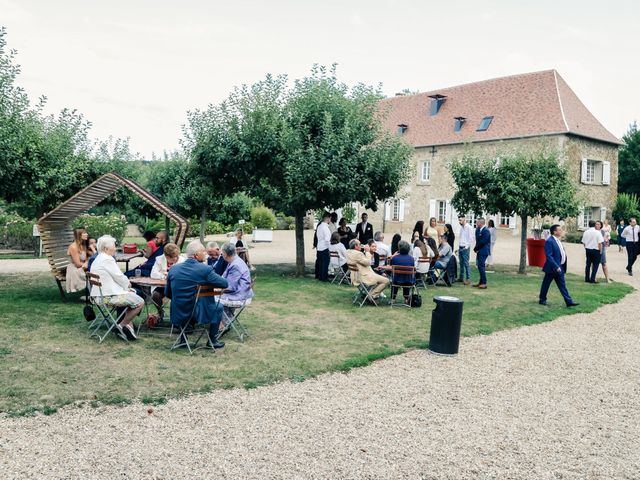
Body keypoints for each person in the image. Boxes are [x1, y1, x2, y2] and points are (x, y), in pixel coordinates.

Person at [165, 240, 228, 349]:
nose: (206, 254)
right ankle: (212, 340)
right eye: (203, 251)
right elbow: (224, 283)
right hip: (195, 312)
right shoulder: (205, 269)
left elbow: (167, 293)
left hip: (177, 311)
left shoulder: (173, 269)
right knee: (219, 307)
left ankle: (183, 339)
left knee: (189, 303)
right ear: (196, 255)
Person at [90, 235, 144, 340]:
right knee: (140, 302)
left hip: (98, 295)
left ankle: (128, 326)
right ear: (106, 249)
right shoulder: (107, 259)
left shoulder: (98, 258)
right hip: (106, 297)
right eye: (114, 246)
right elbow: (119, 276)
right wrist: (127, 284)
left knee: (132, 294)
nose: (115, 248)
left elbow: (113, 277)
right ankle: (121, 325)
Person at [539, 225, 579, 308]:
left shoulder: (558, 240)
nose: (561, 231)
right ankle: (542, 299)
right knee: (546, 284)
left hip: (560, 267)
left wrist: (561, 266)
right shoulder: (549, 241)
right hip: (552, 268)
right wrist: (556, 266)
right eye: (559, 230)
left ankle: (569, 301)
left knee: (562, 285)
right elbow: (549, 256)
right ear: (554, 232)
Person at [219, 241, 254, 332]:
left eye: (222, 253)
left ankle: (222, 324)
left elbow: (231, 287)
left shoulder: (236, 265)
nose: (221, 255)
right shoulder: (235, 261)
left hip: (239, 295)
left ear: (225, 254)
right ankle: (225, 320)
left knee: (211, 298)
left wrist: (216, 289)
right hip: (241, 292)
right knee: (213, 295)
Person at [150, 242, 185, 319]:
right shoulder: (159, 259)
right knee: (155, 295)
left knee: (178, 297)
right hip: (162, 286)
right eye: (173, 257)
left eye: (177, 256)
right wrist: (164, 275)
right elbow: (153, 274)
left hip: (176, 287)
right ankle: (160, 312)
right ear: (166, 256)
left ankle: (177, 317)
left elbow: (180, 276)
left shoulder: (182, 261)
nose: (176, 258)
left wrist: (165, 273)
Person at [389, 240, 415, 305]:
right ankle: (406, 299)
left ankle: (393, 299)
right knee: (406, 277)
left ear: (399, 248)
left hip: (396, 280)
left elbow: (390, 266)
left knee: (396, 278)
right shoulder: (411, 259)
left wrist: (392, 257)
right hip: (408, 281)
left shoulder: (395, 258)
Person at [66, 228, 89, 293]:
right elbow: (77, 264)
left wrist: (88, 263)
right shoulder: (73, 247)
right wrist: (88, 264)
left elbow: (87, 259)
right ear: (79, 235)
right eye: (84, 233)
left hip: (83, 266)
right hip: (74, 268)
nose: (87, 234)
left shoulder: (83, 245)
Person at [473, 218, 491, 289]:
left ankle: (484, 282)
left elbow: (483, 242)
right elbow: (477, 240)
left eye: (477, 222)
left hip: (484, 250)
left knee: (481, 266)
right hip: (479, 250)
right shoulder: (478, 230)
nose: (476, 223)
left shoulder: (486, 231)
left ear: (481, 223)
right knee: (479, 266)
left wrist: (476, 248)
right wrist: (477, 249)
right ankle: (480, 282)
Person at [457, 215, 474, 285]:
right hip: (461, 246)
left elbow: (471, 239)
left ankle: (468, 278)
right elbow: (461, 238)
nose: (459, 222)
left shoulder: (469, 228)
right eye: (459, 220)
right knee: (461, 263)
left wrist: (466, 247)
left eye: (460, 220)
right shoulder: (461, 228)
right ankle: (461, 277)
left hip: (465, 248)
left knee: (466, 263)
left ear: (464, 220)